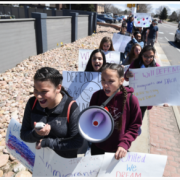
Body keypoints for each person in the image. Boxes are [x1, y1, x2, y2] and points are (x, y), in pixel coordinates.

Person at [20, 67, 83, 158]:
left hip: (64, 163)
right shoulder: (32, 103)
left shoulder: (71, 108)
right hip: (38, 159)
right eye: (36, 90)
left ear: (58, 88)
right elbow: (23, 135)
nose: (38, 96)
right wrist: (37, 134)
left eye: (44, 91)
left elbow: (77, 142)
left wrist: (47, 142)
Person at [90, 63, 142, 159]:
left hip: (118, 150)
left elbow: (135, 125)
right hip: (97, 146)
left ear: (121, 81)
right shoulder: (96, 96)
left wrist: (124, 144)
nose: (105, 85)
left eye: (111, 81)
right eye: (103, 80)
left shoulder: (131, 100)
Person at [124, 45, 169, 135]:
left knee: (139, 116)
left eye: (151, 56)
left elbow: (162, 85)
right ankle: (127, 130)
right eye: (146, 56)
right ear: (141, 55)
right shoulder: (135, 63)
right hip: (133, 96)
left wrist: (165, 100)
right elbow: (126, 77)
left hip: (145, 99)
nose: (148, 59)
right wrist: (127, 75)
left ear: (153, 56)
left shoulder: (157, 68)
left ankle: (134, 131)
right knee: (129, 114)